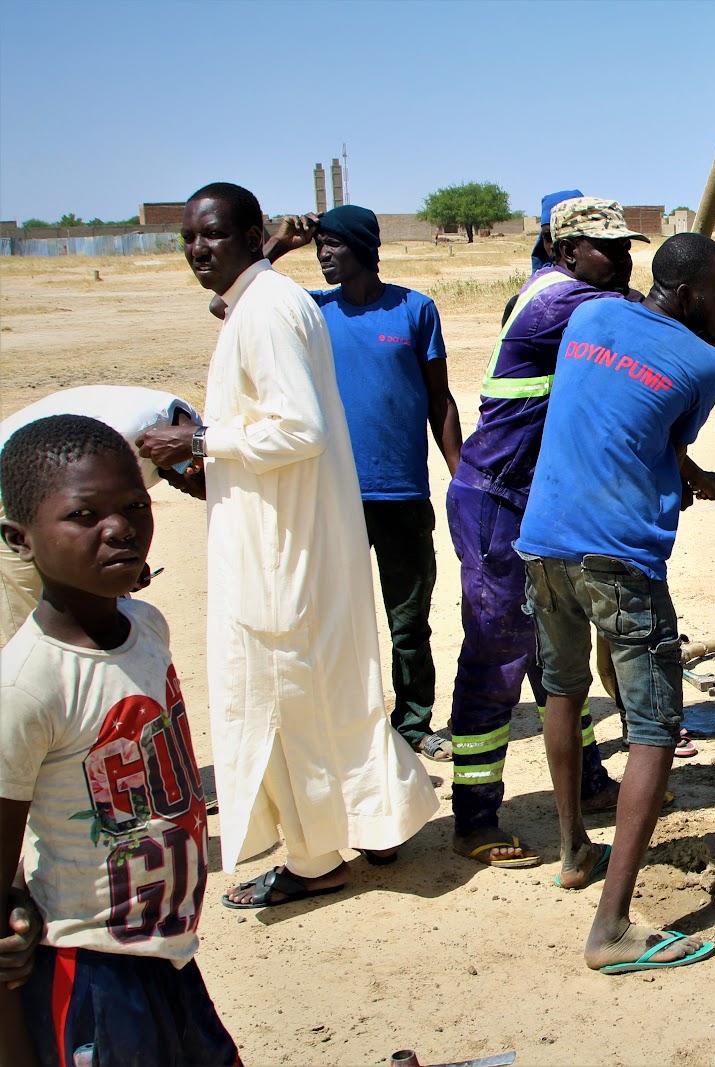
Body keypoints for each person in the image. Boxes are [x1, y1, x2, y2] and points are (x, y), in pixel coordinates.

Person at [448, 196, 715, 868]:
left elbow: (668, 359)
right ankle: (476, 814)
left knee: (559, 678)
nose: (624, 259)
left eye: (630, 246)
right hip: (504, 495)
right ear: (567, 251)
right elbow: (692, 348)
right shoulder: (564, 302)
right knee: (498, 656)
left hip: (550, 505)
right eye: (609, 247)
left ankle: (587, 802)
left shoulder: (605, 305)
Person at [137, 182, 437, 908]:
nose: (197, 251)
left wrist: (200, 439)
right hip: (285, 537)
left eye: (211, 235)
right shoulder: (265, 302)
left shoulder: (269, 310)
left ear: (252, 233)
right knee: (329, 696)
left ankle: (312, 861)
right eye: (187, 239)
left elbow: (299, 427)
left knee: (286, 703)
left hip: (280, 554)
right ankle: (379, 820)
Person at [516, 231, 715, 974]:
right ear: (698, 295)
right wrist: (692, 470)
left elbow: (633, 425)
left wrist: (697, 474)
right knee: (654, 727)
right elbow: (667, 431)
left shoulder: (590, 318)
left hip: (544, 540)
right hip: (618, 557)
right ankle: (611, 928)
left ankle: (574, 847)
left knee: (564, 688)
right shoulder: (704, 362)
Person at [1, 414, 238, 1065]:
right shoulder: (28, 683)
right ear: (19, 539)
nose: (121, 527)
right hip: (90, 975)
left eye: (135, 504)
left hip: (170, 958)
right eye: (84, 514)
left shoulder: (147, 626)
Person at [263, 205, 463, 760]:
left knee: (409, 621)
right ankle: (349, 725)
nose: (323, 254)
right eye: (318, 245)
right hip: (332, 499)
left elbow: (438, 399)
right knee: (335, 620)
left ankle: (414, 724)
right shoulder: (309, 311)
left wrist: (461, 475)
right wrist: (279, 246)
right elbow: (226, 304)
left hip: (401, 494)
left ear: (362, 248)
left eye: (332, 244)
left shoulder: (414, 310)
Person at [0, 386, 203, 645]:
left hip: (61, 496)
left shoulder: (180, 431)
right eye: (193, 489)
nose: (183, 491)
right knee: (37, 619)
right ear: (193, 466)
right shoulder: (127, 435)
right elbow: (67, 504)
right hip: (13, 489)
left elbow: (100, 508)